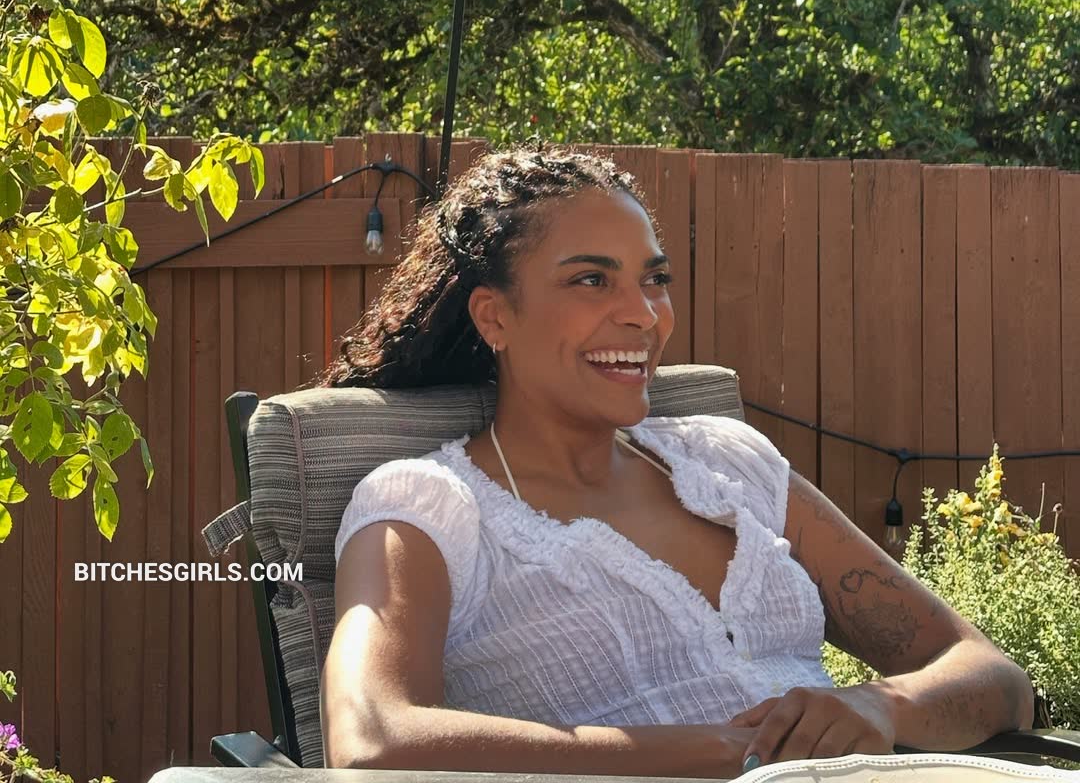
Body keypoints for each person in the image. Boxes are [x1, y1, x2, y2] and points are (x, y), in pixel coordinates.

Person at [317, 147, 1032, 777]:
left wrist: (881, 706)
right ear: (494, 316)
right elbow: (372, 740)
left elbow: (996, 678)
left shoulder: (731, 463)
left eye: (654, 278)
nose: (645, 314)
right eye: (591, 280)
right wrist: (724, 754)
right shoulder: (431, 507)